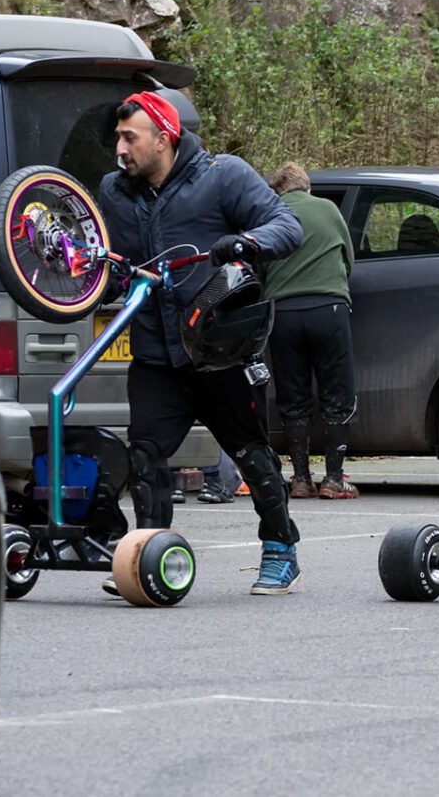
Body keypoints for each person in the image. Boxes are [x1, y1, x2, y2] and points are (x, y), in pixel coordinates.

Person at [98, 90, 306, 595]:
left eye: (130, 138)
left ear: (163, 138)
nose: (120, 149)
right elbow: (107, 262)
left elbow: (288, 226)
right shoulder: (112, 190)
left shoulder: (223, 176)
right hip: (154, 351)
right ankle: (150, 560)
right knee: (145, 458)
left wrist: (248, 242)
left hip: (218, 350)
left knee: (253, 455)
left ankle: (280, 549)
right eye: (118, 138)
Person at [260, 161, 359, 499]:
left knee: (293, 397)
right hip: (328, 310)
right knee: (337, 394)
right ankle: (334, 479)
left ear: (278, 190)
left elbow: (258, 268)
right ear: (307, 186)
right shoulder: (328, 209)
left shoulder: (268, 214)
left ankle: (300, 478)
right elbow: (349, 261)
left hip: (283, 314)